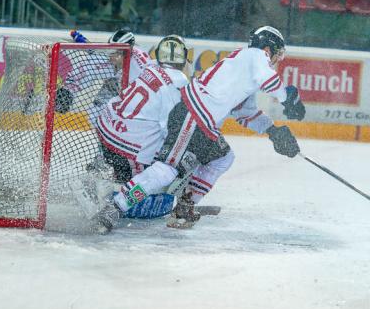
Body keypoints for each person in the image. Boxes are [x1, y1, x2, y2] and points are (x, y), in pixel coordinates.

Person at [97, 26, 305, 231]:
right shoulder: (255, 56)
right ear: (267, 49)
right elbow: (269, 81)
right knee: (167, 170)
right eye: (276, 54)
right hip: (191, 116)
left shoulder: (245, 70)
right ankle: (115, 206)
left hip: (202, 124)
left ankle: (185, 205)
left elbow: (245, 113)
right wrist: (288, 98)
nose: (276, 60)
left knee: (223, 158)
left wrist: (273, 131)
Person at [96, 35, 191, 184]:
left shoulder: (150, 67)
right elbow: (169, 127)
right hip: (126, 142)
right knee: (141, 181)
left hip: (106, 124)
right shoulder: (178, 83)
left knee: (125, 169)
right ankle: (113, 198)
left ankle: (102, 180)